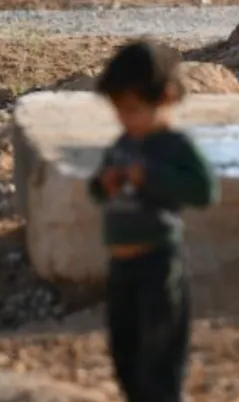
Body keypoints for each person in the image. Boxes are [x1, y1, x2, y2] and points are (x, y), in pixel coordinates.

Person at [86, 40, 218, 402]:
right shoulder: (122, 144)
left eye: (132, 108)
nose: (125, 119)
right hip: (121, 267)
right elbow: (96, 190)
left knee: (159, 358)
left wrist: (152, 177)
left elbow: (204, 191)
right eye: (118, 110)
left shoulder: (174, 146)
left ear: (167, 98)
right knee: (125, 358)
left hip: (158, 264)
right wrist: (104, 183)